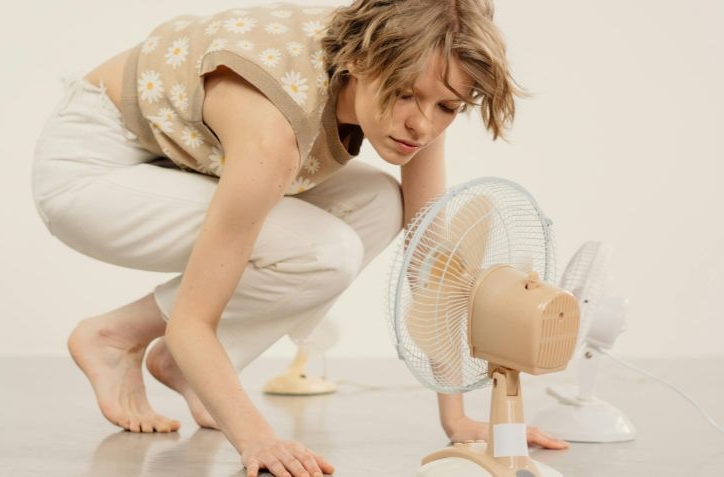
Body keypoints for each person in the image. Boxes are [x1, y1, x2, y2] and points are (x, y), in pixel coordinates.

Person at [31, 1, 568, 475]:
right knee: (322, 252)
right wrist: (258, 440)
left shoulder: (417, 84)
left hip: (183, 158)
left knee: (382, 204)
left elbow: (432, 261)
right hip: (89, 171)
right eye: (406, 96)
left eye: (447, 107)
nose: (421, 125)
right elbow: (195, 319)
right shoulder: (272, 133)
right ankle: (116, 339)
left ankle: (171, 362)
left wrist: (458, 418)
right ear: (360, 62)